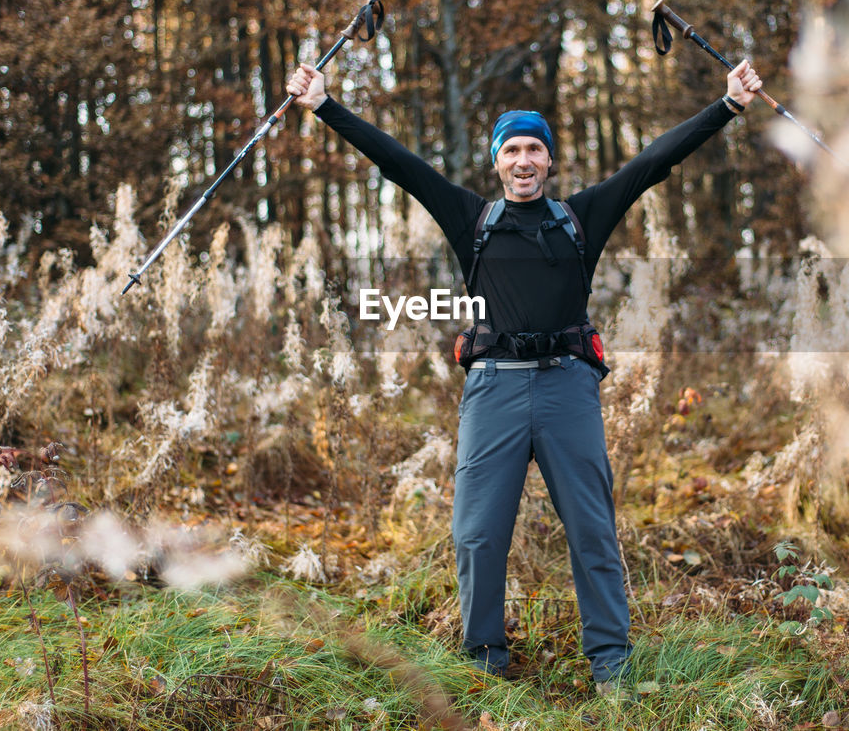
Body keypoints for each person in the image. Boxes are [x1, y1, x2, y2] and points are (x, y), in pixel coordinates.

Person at [287, 56, 762, 689]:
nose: (524, 160)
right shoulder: (472, 220)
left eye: (534, 148)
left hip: (567, 385)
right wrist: (325, 107)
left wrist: (726, 106)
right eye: (512, 149)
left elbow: (653, 164)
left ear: (549, 159)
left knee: (593, 530)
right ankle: (485, 662)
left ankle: (612, 667)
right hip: (495, 390)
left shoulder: (580, 218)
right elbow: (398, 164)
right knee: (477, 535)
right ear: (497, 161)